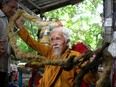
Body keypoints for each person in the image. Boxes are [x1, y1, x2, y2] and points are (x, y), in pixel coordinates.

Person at [15, 17, 99, 87]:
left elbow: (88, 78)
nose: (54, 43)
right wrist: (19, 24)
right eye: (52, 39)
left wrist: (92, 69)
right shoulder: (49, 51)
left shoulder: (75, 56)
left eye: (58, 39)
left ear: (67, 41)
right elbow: (32, 43)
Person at [0, 0, 18, 87]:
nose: (14, 10)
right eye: (12, 7)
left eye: (16, 8)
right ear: (4, 4)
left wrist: (16, 53)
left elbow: (8, 44)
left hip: (5, 68)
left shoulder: (10, 21)